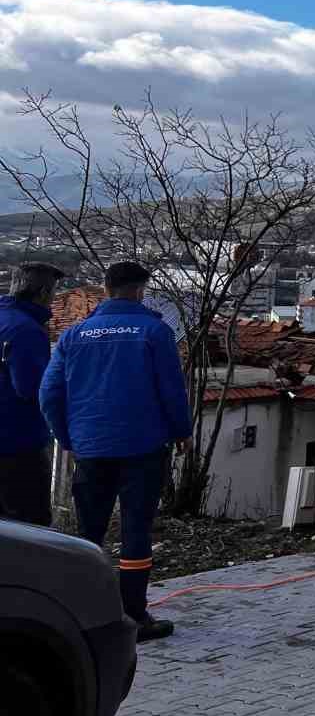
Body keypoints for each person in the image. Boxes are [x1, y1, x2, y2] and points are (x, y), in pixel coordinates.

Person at [40, 261, 190, 642]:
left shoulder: (74, 336)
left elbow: (49, 394)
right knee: (135, 532)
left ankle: (82, 614)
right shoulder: (154, 333)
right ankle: (133, 617)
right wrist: (181, 432)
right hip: (143, 447)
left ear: (105, 289)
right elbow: (172, 390)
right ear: (140, 291)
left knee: (87, 536)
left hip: (91, 446)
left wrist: (68, 436)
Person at [0, 262, 66, 525]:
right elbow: (32, 388)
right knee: (30, 525)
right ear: (42, 292)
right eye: (52, 292)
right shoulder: (26, 330)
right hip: (17, 442)